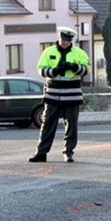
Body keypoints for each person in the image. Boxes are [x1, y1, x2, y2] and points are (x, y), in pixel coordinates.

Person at [28, 26, 90, 163]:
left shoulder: (79, 53)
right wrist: (54, 71)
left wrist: (75, 67)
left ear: (71, 40)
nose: (65, 42)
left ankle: (68, 153)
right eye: (63, 39)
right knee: (47, 125)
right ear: (58, 37)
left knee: (72, 126)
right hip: (53, 95)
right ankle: (41, 153)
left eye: (68, 40)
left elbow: (86, 70)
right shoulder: (48, 51)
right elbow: (41, 69)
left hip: (72, 95)